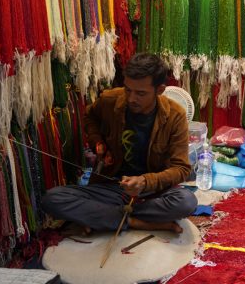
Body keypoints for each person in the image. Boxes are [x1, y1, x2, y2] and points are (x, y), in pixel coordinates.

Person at [42, 53, 197, 234]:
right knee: (52, 199)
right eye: (128, 89)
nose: (131, 98)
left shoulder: (175, 115)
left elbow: (181, 169)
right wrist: (97, 142)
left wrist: (145, 182)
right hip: (112, 188)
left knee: (186, 202)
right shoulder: (110, 100)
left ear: (160, 90)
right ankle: (138, 223)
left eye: (141, 93)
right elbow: (89, 117)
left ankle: (104, 218)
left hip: (152, 192)